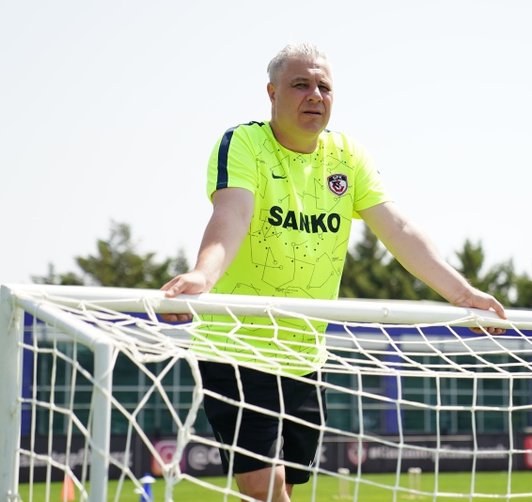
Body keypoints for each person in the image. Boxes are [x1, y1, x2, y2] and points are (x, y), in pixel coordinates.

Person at [161, 42, 506, 502]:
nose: (314, 96)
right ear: (272, 93)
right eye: (300, 85)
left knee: (284, 481)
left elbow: (399, 229)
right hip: (236, 345)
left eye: (323, 86)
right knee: (260, 483)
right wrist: (203, 276)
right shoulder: (243, 143)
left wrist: (463, 295)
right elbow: (232, 216)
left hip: (306, 351)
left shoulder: (348, 157)